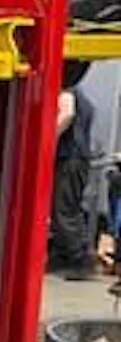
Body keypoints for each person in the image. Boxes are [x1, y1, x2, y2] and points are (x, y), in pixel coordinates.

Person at [50, 73, 95, 280]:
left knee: (64, 209)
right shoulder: (79, 93)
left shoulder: (67, 91)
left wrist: (46, 139)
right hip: (74, 157)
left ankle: (80, 259)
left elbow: (67, 114)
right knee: (63, 208)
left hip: (70, 158)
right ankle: (64, 255)